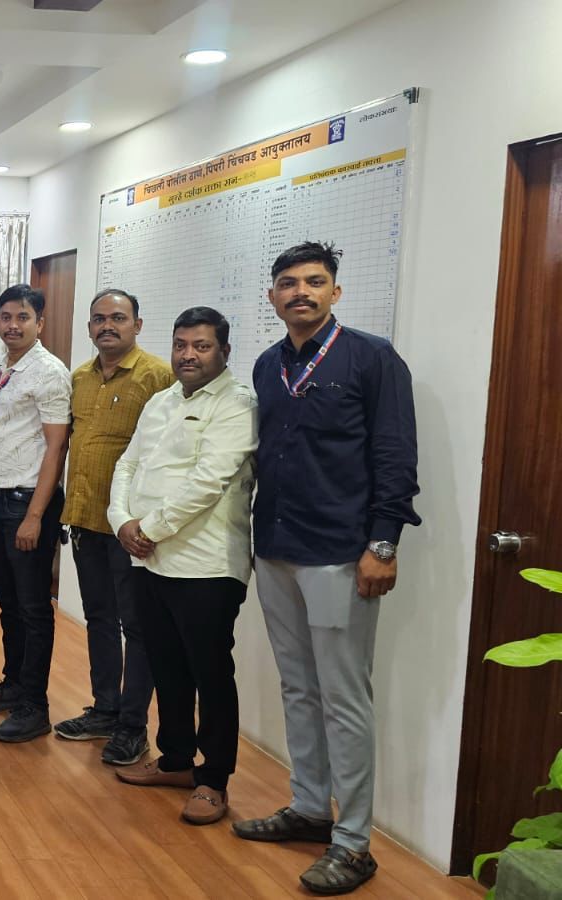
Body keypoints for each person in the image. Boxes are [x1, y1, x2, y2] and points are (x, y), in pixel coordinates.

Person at [234, 242, 420, 895]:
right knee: (297, 687)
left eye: (314, 282)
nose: (301, 292)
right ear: (273, 297)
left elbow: (394, 455)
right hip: (276, 547)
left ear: (335, 292)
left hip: (342, 552)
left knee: (344, 697)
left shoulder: (371, 358)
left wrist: (383, 544)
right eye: (288, 283)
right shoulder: (268, 365)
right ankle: (311, 807)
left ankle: (354, 843)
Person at [108, 307, 257, 827]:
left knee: (209, 672)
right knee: (166, 665)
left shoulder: (238, 404)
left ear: (224, 352)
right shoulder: (162, 400)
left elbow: (209, 481)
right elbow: (128, 463)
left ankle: (213, 779)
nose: (188, 355)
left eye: (201, 346)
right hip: (151, 560)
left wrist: (149, 528)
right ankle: (175, 760)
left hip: (207, 565)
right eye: (181, 345)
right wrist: (121, 520)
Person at [53, 289, 174, 765]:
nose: (108, 326)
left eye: (118, 318)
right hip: (86, 519)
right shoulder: (80, 377)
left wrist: (150, 522)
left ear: (137, 325)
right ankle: (104, 709)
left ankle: (132, 725)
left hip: (131, 528)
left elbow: (166, 454)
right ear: (89, 327)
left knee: (137, 626)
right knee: (99, 618)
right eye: (99, 318)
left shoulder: (157, 376)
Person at [0, 285, 72, 743]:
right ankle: (13, 683)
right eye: (6, 317)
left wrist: (35, 515)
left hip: (29, 502)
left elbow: (57, 448)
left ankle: (35, 706)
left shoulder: (50, 372)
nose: (13, 325)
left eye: (23, 317)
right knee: (9, 602)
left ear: (40, 323)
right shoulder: (1, 364)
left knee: (34, 608)